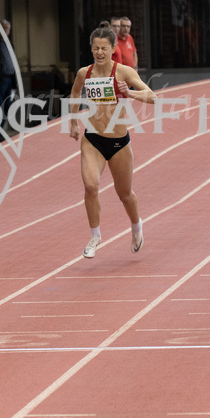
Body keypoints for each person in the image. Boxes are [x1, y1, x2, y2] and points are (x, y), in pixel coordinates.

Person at [68, 22, 155, 259]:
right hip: (93, 138)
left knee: (124, 194)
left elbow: (152, 96)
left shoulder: (123, 72)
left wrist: (130, 93)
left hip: (118, 143)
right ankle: (95, 235)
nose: (99, 52)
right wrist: (74, 122)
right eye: (95, 48)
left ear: (113, 48)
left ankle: (136, 226)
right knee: (90, 186)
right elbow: (75, 93)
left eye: (104, 48)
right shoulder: (84, 73)